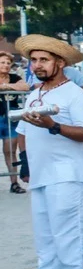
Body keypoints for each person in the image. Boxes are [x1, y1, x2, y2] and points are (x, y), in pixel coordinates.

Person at [10, 35, 83, 269]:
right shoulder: (35, 94)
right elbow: (23, 130)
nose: (37, 65)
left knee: (69, 226)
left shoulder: (75, 94)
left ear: (60, 63)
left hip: (68, 172)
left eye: (44, 60)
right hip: (41, 171)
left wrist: (54, 126)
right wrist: (24, 161)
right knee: (44, 227)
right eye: (34, 60)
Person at [0, 52, 30, 194]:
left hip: (10, 118)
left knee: (10, 151)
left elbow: (25, 86)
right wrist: (10, 87)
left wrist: (5, 86)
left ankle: (14, 182)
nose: (6, 65)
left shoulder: (14, 77)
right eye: (2, 62)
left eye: (8, 63)